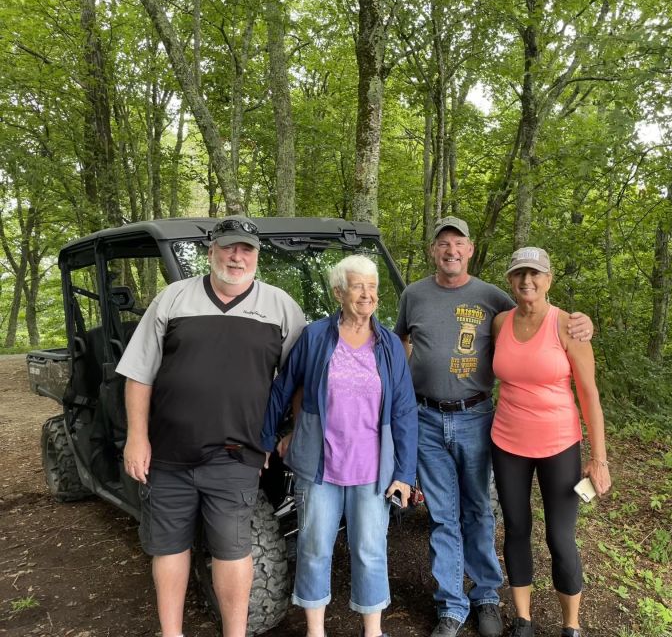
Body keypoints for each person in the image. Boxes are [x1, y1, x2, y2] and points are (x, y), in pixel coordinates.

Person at [393, 217, 594, 637]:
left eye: (458, 244)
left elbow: (534, 314)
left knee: (479, 510)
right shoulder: (413, 295)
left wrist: (583, 322)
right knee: (443, 515)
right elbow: (401, 345)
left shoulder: (492, 297)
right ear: (434, 251)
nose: (450, 250)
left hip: (476, 416)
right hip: (427, 418)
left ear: (469, 250)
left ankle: (486, 596)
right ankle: (452, 604)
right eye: (443, 244)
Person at [117, 216, 306, 637]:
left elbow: (297, 379)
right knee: (169, 547)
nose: (236, 257)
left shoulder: (281, 307)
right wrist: (136, 436)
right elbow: (138, 374)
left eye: (245, 249)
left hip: (237, 453)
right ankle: (172, 633)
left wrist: (293, 431)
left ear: (257, 256)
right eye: (228, 247)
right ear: (211, 251)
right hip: (167, 453)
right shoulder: (173, 299)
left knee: (233, 549)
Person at [261, 254, 418, 637]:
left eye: (373, 287)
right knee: (314, 548)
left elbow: (404, 410)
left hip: (372, 470)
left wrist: (404, 473)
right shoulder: (316, 336)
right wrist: (264, 440)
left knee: (370, 550)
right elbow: (283, 388)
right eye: (358, 286)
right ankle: (316, 630)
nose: (368, 295)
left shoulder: (389, 346)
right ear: (338, 292)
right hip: (321, 466)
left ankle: (373, 630)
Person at [490, 247, 611, 637]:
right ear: (509, 280)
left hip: (559, 444)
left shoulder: (568, 327)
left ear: (549, 279)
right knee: (517, 527)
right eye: (519, 274)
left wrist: (600, 459)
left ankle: (571, 625)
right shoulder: (499, 323)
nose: (527, 281)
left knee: (560, 536)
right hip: (507, 441)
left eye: (535, 274)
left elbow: (589, 395)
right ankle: (522, 619)